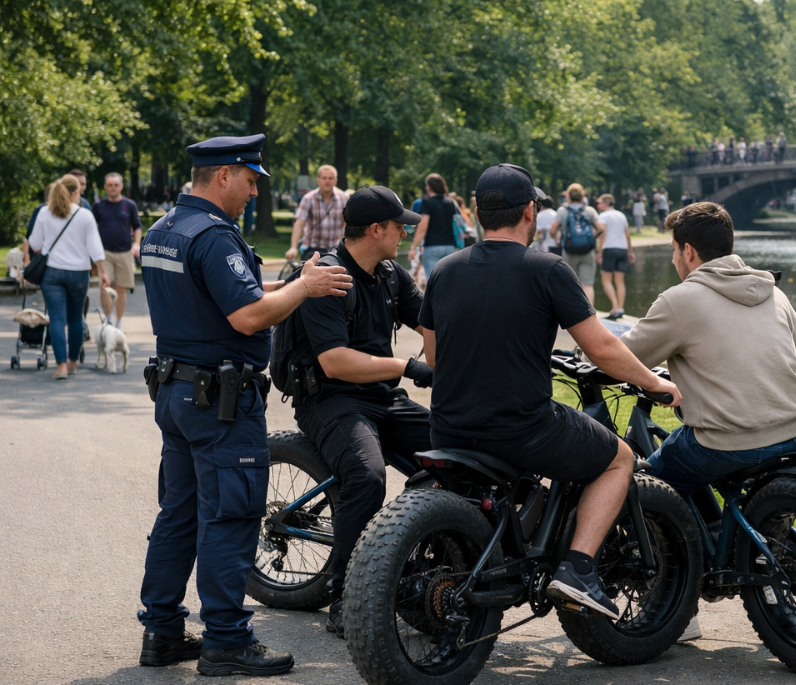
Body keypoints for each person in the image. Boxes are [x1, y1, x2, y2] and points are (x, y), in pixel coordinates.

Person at [419, 162, 681, 619]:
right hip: (521, 430)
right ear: (529, 212)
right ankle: (578, 568)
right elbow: (601, 348)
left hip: (449, 427)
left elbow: (436, 357)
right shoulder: (547, 269)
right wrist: (657, 382)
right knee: (618, 458)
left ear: (478, 212)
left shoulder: (445, 269)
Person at [136, 135, 352, 676]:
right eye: (251, 181)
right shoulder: (214, 236)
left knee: (179, 514)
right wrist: (303, 287)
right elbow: (249, 316)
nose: (254, 193)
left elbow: (229, 293)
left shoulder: (165, 229)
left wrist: (301, 283)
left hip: (177, 393)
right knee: (230, 516)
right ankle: (227, 641)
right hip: (219, 403)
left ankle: (161, 633)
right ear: (225, 174)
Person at [290, 186, 433, 639]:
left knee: (458, 451)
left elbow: (430, 321)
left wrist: (446, 365)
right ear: (376, 230)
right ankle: (346, 596)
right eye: (399, 227)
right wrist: (408, 366)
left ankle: (430, 574)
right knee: (367, 476)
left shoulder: (391, 274)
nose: (405, 234)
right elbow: (335, 361)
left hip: (381, 397)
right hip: (330, 399)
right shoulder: (328, 278)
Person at [620, 201, 796, 496]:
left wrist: (584, 352)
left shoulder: (680, 300)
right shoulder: (772, 292)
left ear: (688, 251)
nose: (674, 259)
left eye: (674, 250)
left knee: (643, 488)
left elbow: (620, 356)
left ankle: (680, 538)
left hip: (725, 445)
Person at [28, 174, 109, 379]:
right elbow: (95, 247)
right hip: (79, 273)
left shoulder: (45, 212)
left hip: (52, 273)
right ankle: (73, 362)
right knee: (75, 319)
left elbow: (35, 245)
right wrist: (103, 272)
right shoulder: (84, 215)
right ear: (74, 192)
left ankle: (61, 366)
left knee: (56, 319)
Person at [93, 172, 142, 327]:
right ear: (105, 187)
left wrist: (137, 244)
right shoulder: (99, 206)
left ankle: (119, 322)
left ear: (121, 186)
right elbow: (92, 229)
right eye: (110, 185)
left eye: (116, 185)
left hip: (125, 252)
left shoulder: (129, 205)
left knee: (121, 289)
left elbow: (137, 226)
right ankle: (108, 320)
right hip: (104, 253)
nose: (113, 188)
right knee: (105, 287)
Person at [550, 183, 606, 303]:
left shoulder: (562, 211)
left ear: (568, 196)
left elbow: (553, 230)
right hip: (588, 252)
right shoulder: (589, 210)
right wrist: (592, 239)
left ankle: (571, 316)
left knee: (570, 284)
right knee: (587, 285)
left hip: (569, 251)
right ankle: (590, 315)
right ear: (582, 195)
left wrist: (558, 240)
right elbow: (601, 229)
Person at [286, 164, 348, 261]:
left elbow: (349, 223)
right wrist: (293, 247)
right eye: (324, 178)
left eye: (330, 178)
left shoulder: (344, 198)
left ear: (335, 181)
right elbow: (299, 224)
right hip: (312, 249)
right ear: (318, 180)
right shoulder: (308, 198)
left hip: (336, 249)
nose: (327, 181)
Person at [408, 173, 461, 277]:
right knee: (449, 280)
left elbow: (423, 228)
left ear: (428, 187)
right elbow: (458, 222)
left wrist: (413, 247)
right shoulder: (451, 202)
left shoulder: (427, 203)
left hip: (432, 247)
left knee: (433, 281)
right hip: (449, 246)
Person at [595, 194, 634, 319]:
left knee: (606, 280)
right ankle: (621, 308)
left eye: (600, 202)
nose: (598, 205)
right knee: (620, 281)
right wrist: (630, 251)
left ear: (606, 203)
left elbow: (602, 234)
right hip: (622, 249)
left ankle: (615, 306)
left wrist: (599, 252)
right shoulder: (621, 215)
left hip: (609, 248)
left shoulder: (603, 216)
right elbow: (627, 235)